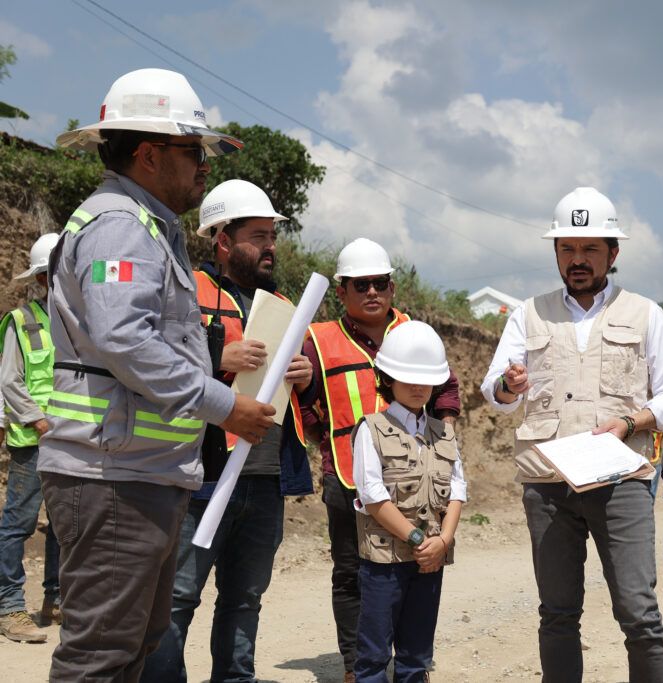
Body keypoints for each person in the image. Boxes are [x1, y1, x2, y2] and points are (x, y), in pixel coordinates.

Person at [42, 68, 275, 681]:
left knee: (133, 648)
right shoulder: (120, 226)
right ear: (148, 155)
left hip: (138, 469)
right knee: (100, 655)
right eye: (192, 151)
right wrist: (224, 406)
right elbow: (125, 339)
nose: (204, 167)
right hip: (110, 474)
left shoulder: (149, 226)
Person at [481, 187, 663, 682]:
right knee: (557, 613)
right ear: (556, 253)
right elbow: (493, 392)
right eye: (567, 249)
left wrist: (631, 423)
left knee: (640, 614)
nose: (577, 260)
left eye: (590, 249)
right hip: (549, 483)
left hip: (623, 480)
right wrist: (508, 386)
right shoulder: (526, 314)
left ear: (612, 254)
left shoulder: (646, 313)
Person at [141, 179, 316, 682]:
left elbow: (298, 399)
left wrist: (303, 378)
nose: (270, 247)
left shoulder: (283, 306)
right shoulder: (188, 290)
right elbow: (151, 359)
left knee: (245, 598)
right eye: (258, 236)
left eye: (272, 236)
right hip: (201, 476)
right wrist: (215, 356)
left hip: (264, 479)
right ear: (222, 239)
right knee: (177, 597)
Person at [302, 238, 460, 682]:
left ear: (392, 287)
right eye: (361, 284)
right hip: (348, 477)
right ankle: (358, 666)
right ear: (342, 291)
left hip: (415, 479)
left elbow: (446, 386)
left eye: (380, 283)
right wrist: (326, 443)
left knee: (415, 571)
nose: (372, 291)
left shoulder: (413, 330)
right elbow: (307, 399)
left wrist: (442, 437)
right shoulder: (319, 339)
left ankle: (411, 662)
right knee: (353, 574)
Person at [351, 321, 465, 682]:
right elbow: (372, 496)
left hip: (429, 560)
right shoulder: (370, 429)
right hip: (385, 562)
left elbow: (458, 489)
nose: (418, 387)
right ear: (388, 378)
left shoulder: (444, 433)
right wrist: (420, 541)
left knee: (417, 654)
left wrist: (443, 542)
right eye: (408, 377)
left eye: (425, 379)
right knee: (373, 653)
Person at [0, 233, 62, 643]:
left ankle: (56, 600)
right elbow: (10, 381)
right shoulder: (22, 322)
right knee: (18, 525)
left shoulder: (80, 322)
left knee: (64, 526)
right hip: (33, 442)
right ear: (42, 279)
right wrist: (39, 422)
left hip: (71, 443)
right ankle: (9, 607)